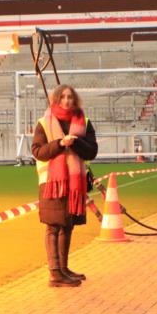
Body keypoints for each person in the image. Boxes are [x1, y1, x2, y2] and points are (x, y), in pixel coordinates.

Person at [31, 84, 98, 288]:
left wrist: (75, 142)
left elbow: (92, 151)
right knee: (53, 226)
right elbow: (37, 151)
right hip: (52, 183)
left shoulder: (84, 122)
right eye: (63, 97)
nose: (67, 101)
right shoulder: (45, 122)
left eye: (70, 97)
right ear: (56, 100)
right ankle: (55, 273)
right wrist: (60, 144)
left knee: (67, 224)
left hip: (75, 184)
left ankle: (64, 269)